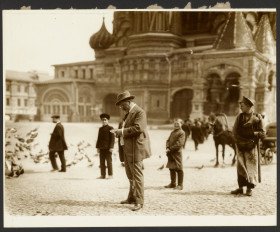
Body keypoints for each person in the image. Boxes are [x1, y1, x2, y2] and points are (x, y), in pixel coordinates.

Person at [111, 90, 151, 211]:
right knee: (130, 175)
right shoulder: (128, 113)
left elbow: (138, 128)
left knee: (137, 176)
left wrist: (121, 132)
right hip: (127, 149)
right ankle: (131, 197)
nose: (121, 107)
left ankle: (139, 201)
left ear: (128, 102)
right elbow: (126, 128)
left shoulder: (139, 112)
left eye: (122, 105)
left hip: (136, 149)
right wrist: (118, 133)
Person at [231, 96, 265, 196]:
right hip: (240, 145)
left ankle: (250, 188)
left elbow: (262, 132)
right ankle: (241, 188)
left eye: (242, 105)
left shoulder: (258, 117)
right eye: (240, 105)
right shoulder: (240, 117)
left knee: (251, 167)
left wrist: (257, 134)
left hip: (251, 146)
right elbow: (234, 131)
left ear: (249, 106)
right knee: (240, 166)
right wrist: (238, 141)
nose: (241, 107)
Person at [164, 118, 185, 190]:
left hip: (177, 153)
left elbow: (179, 143)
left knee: (179, 168)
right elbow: (168, 140)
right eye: (175, 124)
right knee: (171, 168)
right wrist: (167, 147)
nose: (176, 125)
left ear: (181, 124)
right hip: (170, 152)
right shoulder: (172, 132)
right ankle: (173, 183)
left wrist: (171, 148)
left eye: (178, 124)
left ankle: (180, 185)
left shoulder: (182, 133)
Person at [96, 113, 115, 179]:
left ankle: (110, 175)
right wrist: (97, 147)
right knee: (102, 162)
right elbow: (98, 138)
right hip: (101, 148)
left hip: (108, 148)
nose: (104, 121)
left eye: (105, 120)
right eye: (102, 120)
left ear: (107, 121)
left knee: (109, 162)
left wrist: (111, 147)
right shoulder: (100, 129)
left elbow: (113, 139)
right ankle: (102, 175)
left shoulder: (111, 128)